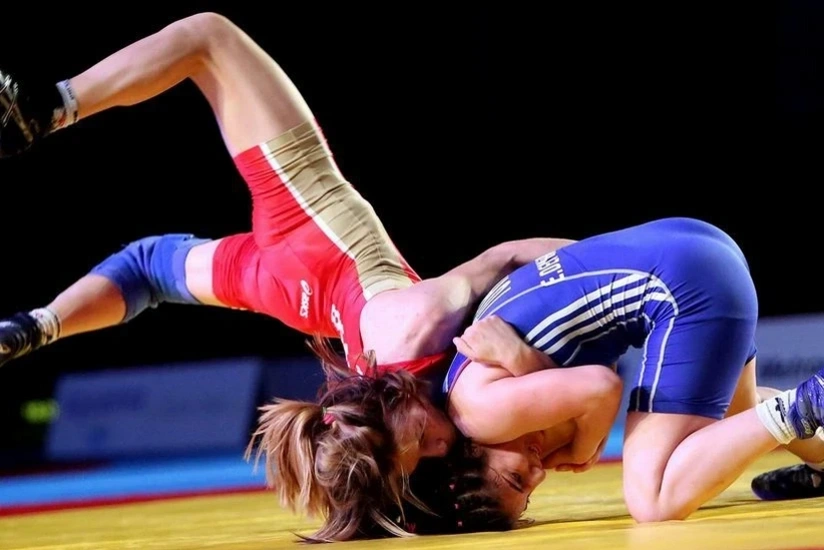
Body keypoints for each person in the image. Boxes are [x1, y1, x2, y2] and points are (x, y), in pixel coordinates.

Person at [0, 12, 575, 541]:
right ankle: (36, 326)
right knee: (150, 268)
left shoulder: (412, 330)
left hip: (307, 226)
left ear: (381, 413)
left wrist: (620, 257)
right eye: (429, 450)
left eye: (423, 444)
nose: (442, 442)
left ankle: (49, 112)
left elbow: (507, 256)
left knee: (209, 37)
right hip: (297, 293)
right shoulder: (389, 407)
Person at [438, 217, 824, 524]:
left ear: (470, 455)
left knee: (652, 500)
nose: (539, 474)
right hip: (691, 240)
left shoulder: (478, 417)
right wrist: (527, 362)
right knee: (736, 422)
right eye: (530, 491)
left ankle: (808, 402)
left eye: (516, 479)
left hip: (685, 285)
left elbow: (603, 386)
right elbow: (527, 255)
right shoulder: (474, 372)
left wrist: (582, 448)